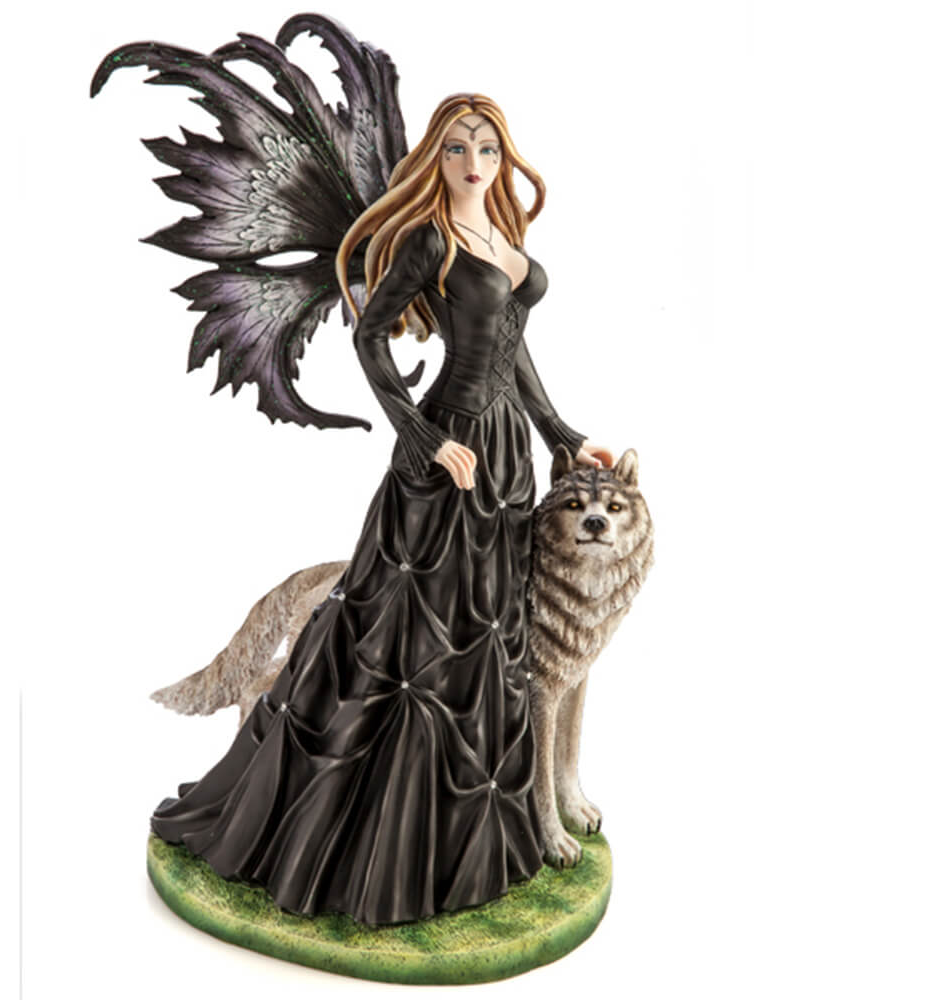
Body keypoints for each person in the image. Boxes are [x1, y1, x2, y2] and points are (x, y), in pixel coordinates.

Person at [151, 93, 612, 926]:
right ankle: (360, 842)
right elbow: (370, 338)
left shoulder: (500, 238)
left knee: (494, 634)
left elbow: (513, 349)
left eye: (488, 149)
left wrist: (561, 435)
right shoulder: (431, 240)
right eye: (458, 149)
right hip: (447, 456)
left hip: (505, 459)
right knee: (410, 645)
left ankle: (474, 837)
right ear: (436, 156)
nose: (474, 164)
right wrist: (424, 438)